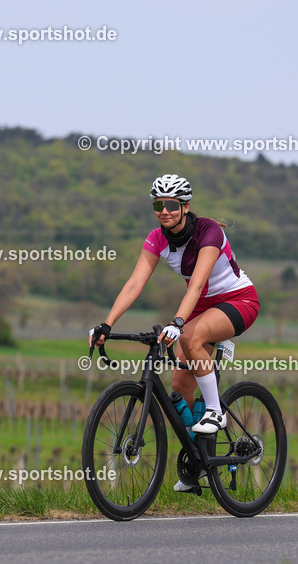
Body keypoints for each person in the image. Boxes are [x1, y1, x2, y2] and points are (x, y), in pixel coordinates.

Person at [89, 173, 260, 491]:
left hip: (237, 301)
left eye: (170, 204)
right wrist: (107, 323)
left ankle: (215, 412)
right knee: (180, 386)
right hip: (199, 309)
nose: (164, 210)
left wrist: (178, 322)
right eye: (158, 204)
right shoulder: (157, 239)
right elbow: (135, 283)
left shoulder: (209, 231)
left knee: (190, 337)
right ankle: (198, 461)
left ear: (185, 205)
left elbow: (197, 283)